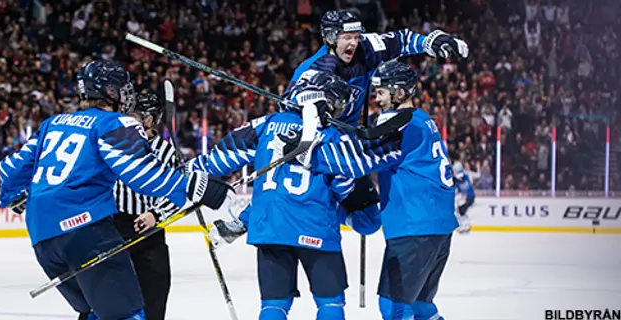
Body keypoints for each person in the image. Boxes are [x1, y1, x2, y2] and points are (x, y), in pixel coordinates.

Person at [0, 59, 235, 320]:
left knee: (95, 313)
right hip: (85, 232)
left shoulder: (51, 123)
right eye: (121, 88)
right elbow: (143, 175)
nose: (126, 94)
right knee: (126, 316)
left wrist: (15, 198)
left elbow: (10, 170)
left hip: (42, 238)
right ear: (109, 91)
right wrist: (196, 186)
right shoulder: (113, 123)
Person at [185, 70, 389, 319]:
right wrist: (352, 213)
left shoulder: (266, 124)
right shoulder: (332, 136)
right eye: (336, 106)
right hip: (315, 227)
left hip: (270, 229)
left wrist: (185, 171)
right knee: (330, 305)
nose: (338, 113)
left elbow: (217, 161)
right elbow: (347, 193)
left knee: (273, 307)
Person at [282, 61, 457, 320]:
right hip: (437, 227)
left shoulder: (397, 122)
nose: (376, 97)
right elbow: (370, 143)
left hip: (414, 227)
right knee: (421, 305)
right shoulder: (422, 120)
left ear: (400, 93)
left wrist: (309, 153)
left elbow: (358, 159)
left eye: (382, 91)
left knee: (395, 308)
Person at [288, 9, 469, 126]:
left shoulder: (367, 47)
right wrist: (308, 104)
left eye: (356, 36)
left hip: (349, 135)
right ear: (330, 38)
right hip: (322, 141)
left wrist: (429, 42)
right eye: (346, 37)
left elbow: (402, 40)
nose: (353, 43)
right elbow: (287, 104)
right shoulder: (311, 69)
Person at [109, 92, 180, 320]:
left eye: (133, 114)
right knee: (105, 297)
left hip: (150, 231)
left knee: (154, 299)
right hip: (114, 229)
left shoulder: (166, 151)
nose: (126, 118)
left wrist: (156, 214)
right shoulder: (114, 144)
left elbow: (177, 193)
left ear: (148, 120)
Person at [453, 162, 475, 233]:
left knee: (461, 211)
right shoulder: (462, 175)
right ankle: (465, 225)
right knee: (461, 211)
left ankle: (466, 225)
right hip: (466, 196)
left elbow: (461, 181)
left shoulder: (461, 175)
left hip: (469, 197)